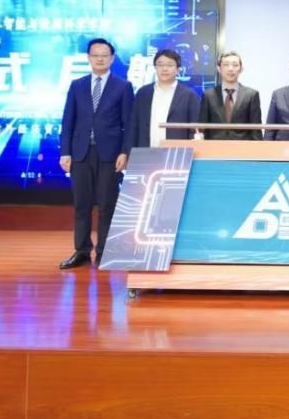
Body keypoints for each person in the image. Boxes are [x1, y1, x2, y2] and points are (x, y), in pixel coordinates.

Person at [58, 38, 134, 269]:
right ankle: (81, 251)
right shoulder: (77, 85)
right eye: (95, 55)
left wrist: (125, 152)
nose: (100, 59)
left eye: (104, 55)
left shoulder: (123, 86)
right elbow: (68, 121)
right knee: (81, 205)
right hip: (80, 153)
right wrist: (65, 152)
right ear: (88, 58)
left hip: (110, 154)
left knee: (107, 205)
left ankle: (104, 252)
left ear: (112, 58)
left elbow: (129, 124)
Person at [126, 49, 201, 150]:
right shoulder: (143, 93)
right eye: (160, 65)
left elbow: (195, 129)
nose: (164, 69)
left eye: (170, 65)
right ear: (155, 68)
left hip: (176, 153)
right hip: (146, 151)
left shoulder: (189, 95)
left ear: (178, 69)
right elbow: (133, 126)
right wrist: (126, 151)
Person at [199, 50, 262, 141]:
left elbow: (256, 130)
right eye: (226, 65)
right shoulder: (208, 95)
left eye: (235, 65)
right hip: (215, 146)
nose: (230, 69)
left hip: (242, 147)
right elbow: (202, 128)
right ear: (219, 69)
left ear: (241, 69)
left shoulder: (251, 95)